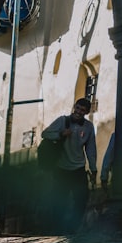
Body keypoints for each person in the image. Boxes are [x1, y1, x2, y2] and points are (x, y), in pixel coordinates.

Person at [41, 97, 98, 233]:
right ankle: (57, 229)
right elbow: (45, 134)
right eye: (77, 108)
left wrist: (93, 168)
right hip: (61, 168)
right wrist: (60, 134)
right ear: (74, 107)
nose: (78, 112)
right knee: (59, 200)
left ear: (86, 112)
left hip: (78, 168)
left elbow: (91, 149)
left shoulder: (88, 127)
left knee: (81, 200)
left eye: (82, 110)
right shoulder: (63, 121)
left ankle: (73, 228)